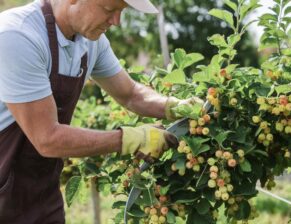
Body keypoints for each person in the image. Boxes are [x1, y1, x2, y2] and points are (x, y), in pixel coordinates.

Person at [0, 0, 202, 223]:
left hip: (42, 193)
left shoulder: (91, 42)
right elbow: (47, 138)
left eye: (121, 12)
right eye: (109, 9)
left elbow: (130, 93)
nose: (116, 21)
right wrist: (129, 139)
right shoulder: (17, 36)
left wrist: (173, 106)